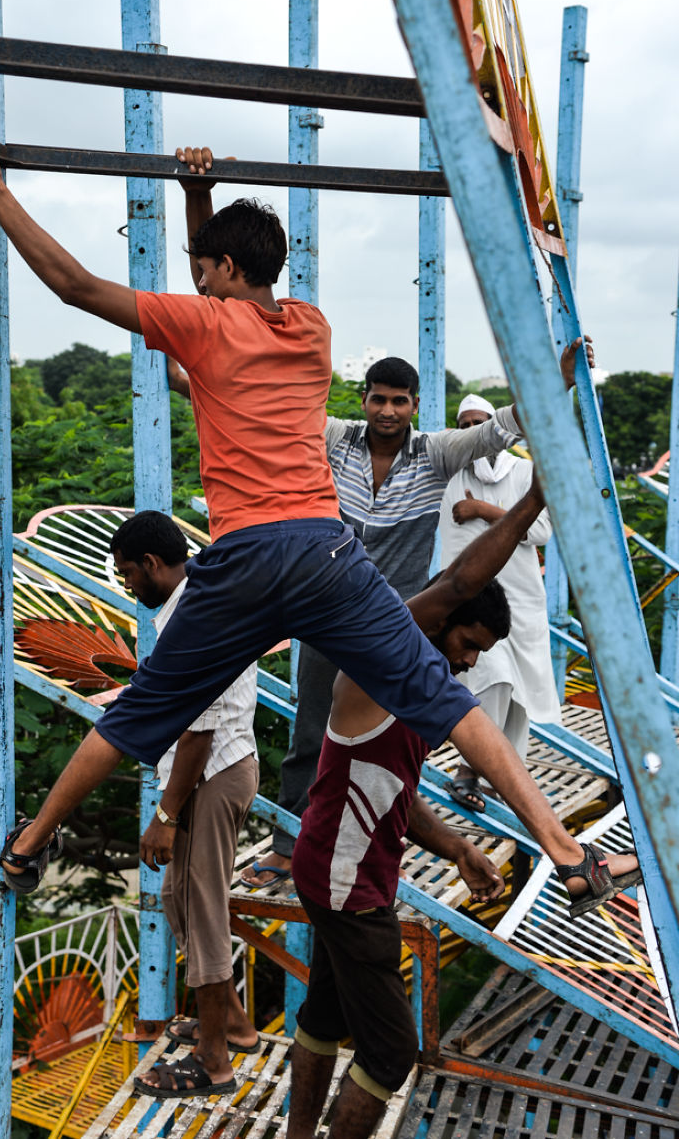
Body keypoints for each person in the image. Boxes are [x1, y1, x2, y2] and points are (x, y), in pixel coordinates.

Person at [0, 131, 637, 969]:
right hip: (326, 552)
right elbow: (221, 289)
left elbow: (74, 284)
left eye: (206, 265)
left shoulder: (204, 325)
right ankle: (569, 854)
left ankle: (28, 845)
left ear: (223, 270)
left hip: (244, 560)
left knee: (139, 714)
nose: (198, 279)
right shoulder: (309, 327)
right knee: (441, 702)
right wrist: (201, 203)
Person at [286, 471, 636, 1139]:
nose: (470, 664)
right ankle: (573, 856)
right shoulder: (374, 665)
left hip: (340, 871)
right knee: (389, 1056)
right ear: (438, 626)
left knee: (325, 1018)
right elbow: (455, 585)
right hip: (347, 885)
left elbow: (387, 792)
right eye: (467, 644)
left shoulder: (414, 694)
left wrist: (458, 847)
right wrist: (533, 501)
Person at [244, 347, 589, 888]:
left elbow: (501, 428)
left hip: (394, 620)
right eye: (378, 399)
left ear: (414, 405)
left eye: (398, 401)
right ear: (363, 401)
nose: (387, 411)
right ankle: (291, 844)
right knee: (312, 728)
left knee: (397, 739)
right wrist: (188, 373)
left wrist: (560, 381)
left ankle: (380, 845)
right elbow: (266, 410)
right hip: (325, 609)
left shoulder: (436, 453)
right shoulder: (335, 438)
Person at [108, 510, 260, 1099]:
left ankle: (214, 1062)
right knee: (178, 897)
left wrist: (166, 817)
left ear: (150, 564)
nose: (127, 586)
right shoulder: (195, 599)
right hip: (213, 770)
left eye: (128, 575)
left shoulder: (188, 618)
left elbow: (197, 732)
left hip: (211, 774)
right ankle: (236, 1024)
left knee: (202, 910)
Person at [439, 393, 561, 812]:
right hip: (472, 600)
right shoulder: (450, 471)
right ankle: (471, 767)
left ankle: (502, 775)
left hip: (520, 598)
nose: (475, 430)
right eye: (466, 423)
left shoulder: (525, 470)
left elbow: (541, 529)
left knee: (518, 693)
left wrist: (481, 509)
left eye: (481, 422)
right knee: (493, 675)